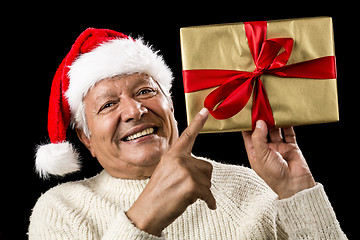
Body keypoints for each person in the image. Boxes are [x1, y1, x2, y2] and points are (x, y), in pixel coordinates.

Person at [29, 28, 346, 239]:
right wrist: (146, 214)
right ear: (86, 139)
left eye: (144, 92)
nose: (135, 110)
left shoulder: (249, 186)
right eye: (109, 104)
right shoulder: (61, 209)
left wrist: (297, 192)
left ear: (170, 106)